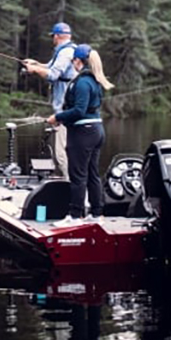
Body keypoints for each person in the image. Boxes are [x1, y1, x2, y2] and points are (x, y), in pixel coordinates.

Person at [47, 44, 114, 227]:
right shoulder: (93, 80)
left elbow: (79, 110)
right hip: (96, 131)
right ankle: (96, 213)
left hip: (83, 134)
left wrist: (58, 117)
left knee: (78, 176)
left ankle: (75, 216)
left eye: (72, 60)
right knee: (92, 174)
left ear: (78, 61)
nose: (72, 63)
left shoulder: (83, 82)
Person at [23, 22, 77, 178]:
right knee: (63, 152)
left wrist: (35, 70)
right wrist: (36, 64)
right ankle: (71, 183)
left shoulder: (66, 53)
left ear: (58, 36)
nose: (52, 38)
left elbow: (53, 75)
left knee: (61, 154)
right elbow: (51, 67)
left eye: (53, 35)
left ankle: (71, 185)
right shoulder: (66, 51)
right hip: (65, 111)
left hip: (65, 112)